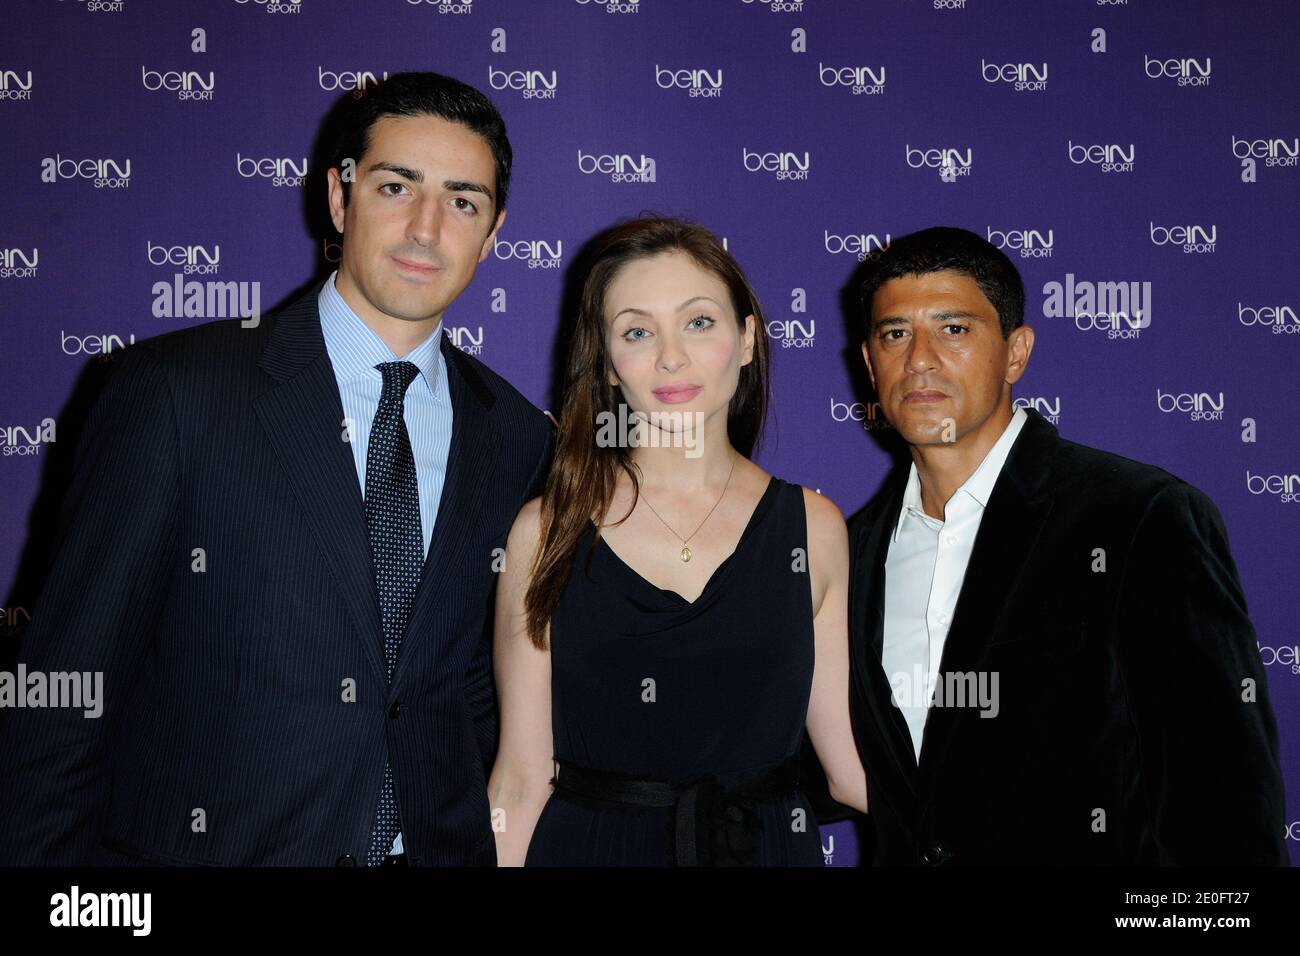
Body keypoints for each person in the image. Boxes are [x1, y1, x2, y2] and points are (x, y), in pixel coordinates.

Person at [0, 72, 553, 866]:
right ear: (340, 196)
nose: (427, 228)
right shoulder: (176, 395)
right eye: (397, 186)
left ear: (494, 232)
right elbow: (61, 700)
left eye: (463, 201)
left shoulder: (517, 440)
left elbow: (475, 697)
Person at [846, 226, 1288, 865]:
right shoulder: (853, 549)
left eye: (954, 329)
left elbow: (1223, 799)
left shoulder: (1137, 517)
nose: (919, 358)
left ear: (1016, 353)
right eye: (895, 334)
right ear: (869, 362)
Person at [487, 216, 868, 866]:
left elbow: (848, 768)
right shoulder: (546, 530)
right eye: (638, 331)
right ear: (607, 364)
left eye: (698, 322)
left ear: (747, 340)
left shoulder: (813, 527)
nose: (671, 356)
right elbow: (520, 781)